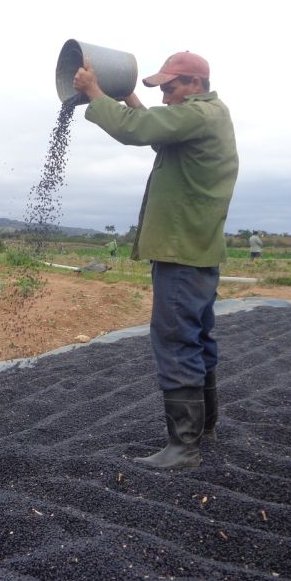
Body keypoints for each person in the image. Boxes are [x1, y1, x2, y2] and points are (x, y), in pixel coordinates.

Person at [73, 50, 238, 469]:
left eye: (170, 87)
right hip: (196, 249)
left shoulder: (200, 113)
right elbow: (158, 132)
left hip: (180, 251)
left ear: (195, 85)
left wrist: (95, 93)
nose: (164, 96)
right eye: (160, 89)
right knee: (198, 336)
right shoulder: (207, 116)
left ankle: (183, 447)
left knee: (175, 339)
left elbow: (138, 131)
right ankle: (205, 427)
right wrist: (128, 96)